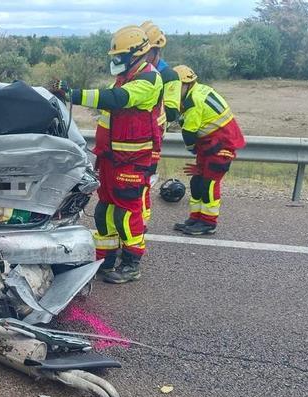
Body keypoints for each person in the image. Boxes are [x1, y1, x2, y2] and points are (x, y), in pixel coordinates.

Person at [50, 26, 162, 284]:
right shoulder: (126, 76)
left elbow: (115, 99)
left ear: (137, 54)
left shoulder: (148, 79)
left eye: (120, 56)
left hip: (132, 162)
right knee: (104, 211)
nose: (116, 61)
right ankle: (106, 258)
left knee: (126, 212)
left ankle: (132, 264)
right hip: (112, 159)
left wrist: (72, 94)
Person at [172, 65, 245, 235]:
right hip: (209, 145)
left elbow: (189, 133)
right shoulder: (195, 91)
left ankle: (208, 222)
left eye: (175, 88)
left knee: (209, 184)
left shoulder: (193, 102)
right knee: (197, 181)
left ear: (185, 84)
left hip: (221, 145)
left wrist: (192, 149)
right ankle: (196, 217)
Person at [139, 20, 181, 226]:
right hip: (132, 139)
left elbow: (172, 112)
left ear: (156, 51)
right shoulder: (136, 73)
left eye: (146, 52)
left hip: (151, 140)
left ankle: (140, 229)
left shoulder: (168, 75)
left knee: (142, 185)